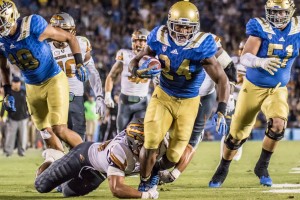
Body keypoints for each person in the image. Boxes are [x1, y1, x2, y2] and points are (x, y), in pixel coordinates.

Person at [128, 0, 230, 191]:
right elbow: (134, 61)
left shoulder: (202, 44)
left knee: (174, 156)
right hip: (163, 96)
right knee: (151, 142)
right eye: (179, 26)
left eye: (187, 27)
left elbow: (222, 79)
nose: (183, 31)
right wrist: (138, 71)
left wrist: (222, 109)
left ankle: (154, 173)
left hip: (189, 101)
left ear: (195, 28)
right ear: (170, 25)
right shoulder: (159, 37)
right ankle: (144, 182)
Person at [209, 0, 298, 187]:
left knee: (279, 124)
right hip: (253, 87)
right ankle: (223, 167)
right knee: (236, 135)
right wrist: (261, 62)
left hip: (277, 89)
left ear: (290, 12)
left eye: (282, 12)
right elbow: (246, 56)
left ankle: (262, 166)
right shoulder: (261, 27)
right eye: (275, 12)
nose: (278, 16)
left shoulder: (297, 28)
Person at [0, 0, 86, 168]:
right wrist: (8, 91)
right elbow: (3, 67)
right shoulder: (1, 41)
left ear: (10, 16)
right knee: (46, 132)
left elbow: (69, 36)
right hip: (31, 86)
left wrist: (79, 62)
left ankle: (89, 159)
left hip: (53, 79)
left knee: (59, 129)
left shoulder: (32, 24)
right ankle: (62, 170)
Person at [159, 34, 237, 183]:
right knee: (168, 133)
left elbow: (230, 69)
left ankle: (173, 174)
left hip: (203, 96)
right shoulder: (171, 42)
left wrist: (228, 99)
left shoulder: (208, 42)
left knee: (193, 138)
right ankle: (159, 168)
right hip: (179, 95)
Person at [35, 118, 163, 199]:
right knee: (41, 186)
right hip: (83, 156)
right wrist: (145, 196)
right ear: (135, 144)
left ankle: (61, 182)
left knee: (67, 192)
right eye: (144, 144)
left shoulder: (157, 144)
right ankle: (53, 157)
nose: (151, 147)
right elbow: (117, 189)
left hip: (98, 173)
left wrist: (172, 173)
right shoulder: (120, 151)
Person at [48, 12, 105, 140]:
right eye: (65, 30)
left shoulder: (82, 42)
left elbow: (92, 70)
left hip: (76, 99)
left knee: (79, 142)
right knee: (57, 141)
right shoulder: (45, 49)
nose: (68, 34)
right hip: (55, 99)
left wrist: (99, 96)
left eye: (70, 30)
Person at [104, 28, 151, 133]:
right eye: (135, 40)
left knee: (137, 134)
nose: (138, 44)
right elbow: (112, 75)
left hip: (142, 103)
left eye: (141, 40)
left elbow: (159, 82)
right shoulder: (125, 54)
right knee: (121, 134)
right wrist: (107, 94)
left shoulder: (153, 59)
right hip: (124, 101)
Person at [1, 76, 29, 157]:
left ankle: (22, 151)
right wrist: (2, 115)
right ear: (12, 83)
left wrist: (31, 115)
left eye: (18, 82)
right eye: (15, 82)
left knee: (23, 136)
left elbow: (28, 104)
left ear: (20, 83)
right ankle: (8, 152)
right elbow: (4, 105)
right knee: (10, 136)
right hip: (12, 118)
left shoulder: (24, 92)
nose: (16, 84)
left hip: (23, 117)